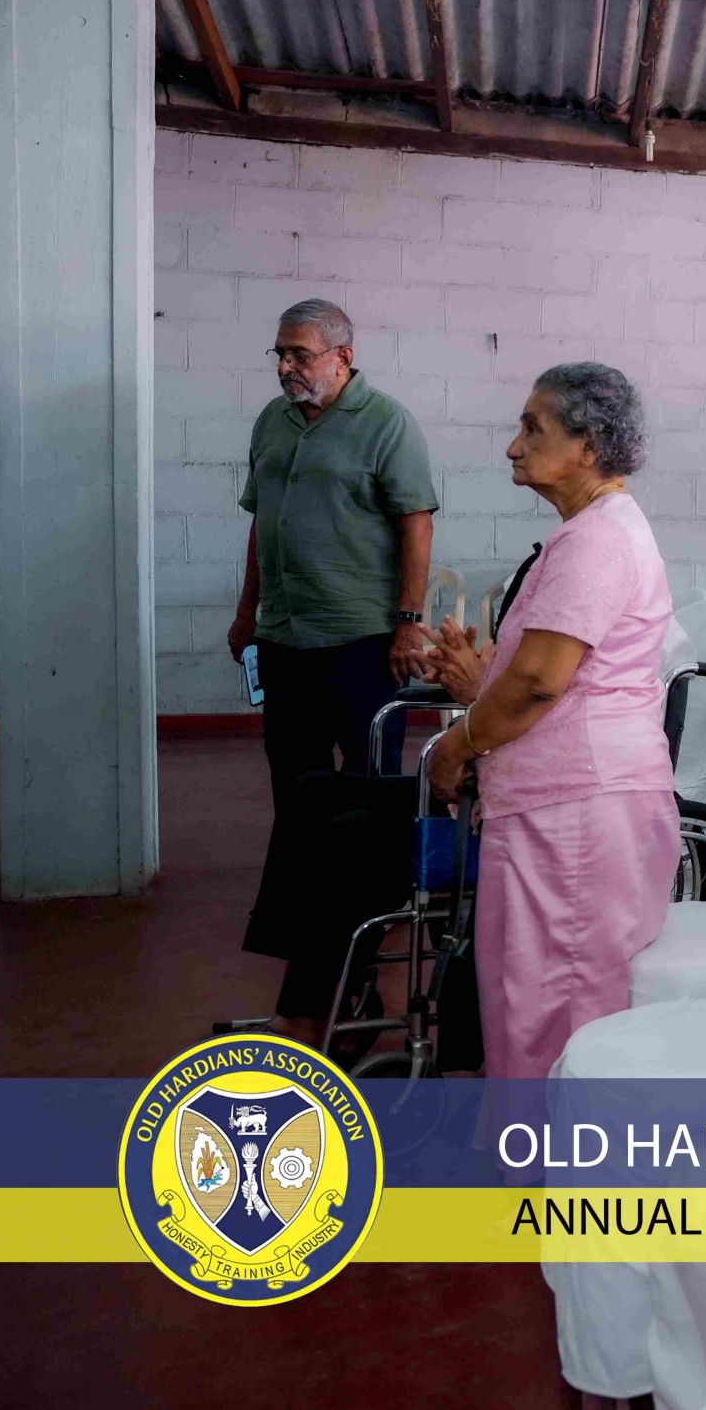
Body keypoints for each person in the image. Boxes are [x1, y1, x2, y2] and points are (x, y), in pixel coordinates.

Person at [422, 364, 679, 1081]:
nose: (514, 446)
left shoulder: (598, 539)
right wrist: (481, 688)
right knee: (536, 1002)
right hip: (568, 802)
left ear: (589, 446)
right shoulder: (591, 533)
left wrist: (456, 745)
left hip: (576, 813)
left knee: (555, 1011)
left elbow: (540, 680)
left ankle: (555, 1151)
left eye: (533, 429)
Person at [233, 298, 440, 1047]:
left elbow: (416, 520)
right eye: (280, 353)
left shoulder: (386, 424)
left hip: (361, 644)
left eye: (300, 353)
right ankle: (324, 966)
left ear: (343, 356)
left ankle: (353, 967)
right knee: (297, 806)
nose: (286, 366)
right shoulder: (273, 422)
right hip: (285, 639)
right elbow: (262, 523)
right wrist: (247, 610)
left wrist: (410, 620)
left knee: (362, 811)